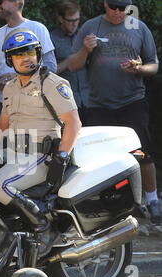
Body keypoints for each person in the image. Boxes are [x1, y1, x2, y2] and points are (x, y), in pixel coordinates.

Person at [0, 29, 81, 257]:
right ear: (10, 60)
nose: (25, 58)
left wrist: (62, 156)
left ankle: (44, 227)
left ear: (38, 54)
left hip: (41, 156)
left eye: (29, 52)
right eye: (18, 54)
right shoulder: (9, 88)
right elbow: (1, 125)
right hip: (14, 154)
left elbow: (74, 123)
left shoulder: (52, 84)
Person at [68, 0, 161, 225]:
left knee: (140, 152)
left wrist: (139, 69)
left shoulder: (139, 28)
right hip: (99, 104)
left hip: (132, 102)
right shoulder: (91, 26)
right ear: (104, 4)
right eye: (114, 7)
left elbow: (153, 65)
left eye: (123, 8)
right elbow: (73, 65)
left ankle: (152, 200)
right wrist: (85, 49)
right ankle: (106, 204)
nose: (118, 12)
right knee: (99, 158)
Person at [0, 0, 57, 122]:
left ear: (16, 3)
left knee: (31, 141)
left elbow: (51, 67)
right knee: (3, 141)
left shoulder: (37, 28)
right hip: (3, 105)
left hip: (33, 103)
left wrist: (19, 79)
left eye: (0, 2)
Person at [50, 0, 89, 125]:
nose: (74, 24)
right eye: (70, 21)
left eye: (77, 20)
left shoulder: (85, 36)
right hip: (65, 103)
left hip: (88, 100)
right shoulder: (51, 39)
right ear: (60, 19)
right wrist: (68, 62)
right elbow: (47, 72)